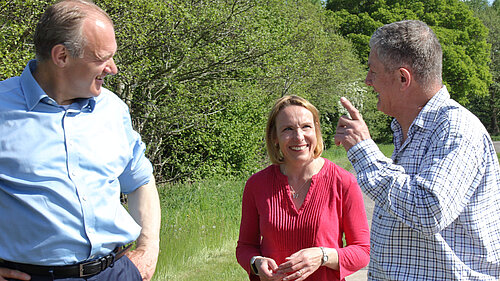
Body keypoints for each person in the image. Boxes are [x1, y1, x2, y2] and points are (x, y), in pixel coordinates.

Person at [0, 1, 161, 280]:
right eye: (101, 58)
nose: (113, 68)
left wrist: (148, 249)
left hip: (117, 271)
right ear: (61, 56)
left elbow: (140, 181)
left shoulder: (113, 109)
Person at [335, 20, 500, 280]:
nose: (368, 81)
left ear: (403, 78)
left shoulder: (455, 128)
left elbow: (428, 210)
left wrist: (365, 151)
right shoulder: (410, 129)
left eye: (373, 72)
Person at [236, 95, 370, 281]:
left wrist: (323, 256)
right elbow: (245, 246)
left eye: (306, 127)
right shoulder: (257, 185)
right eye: (288, 129)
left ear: (316, 130)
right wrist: (256, 263)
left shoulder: (343, 182)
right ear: (274, 137)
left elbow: (362, 251)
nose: (299, 137)